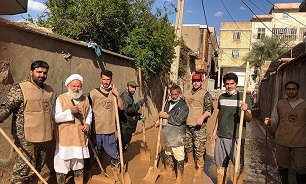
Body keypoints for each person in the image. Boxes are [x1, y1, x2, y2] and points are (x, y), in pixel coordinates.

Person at [0, 60, 53, 184]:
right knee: (22, 171)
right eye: (39, 72)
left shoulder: (49, 90)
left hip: (44, 137)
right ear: (31, 72)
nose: (42, 75)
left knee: (37, 168)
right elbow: (6, 108)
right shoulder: (20, 88)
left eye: (45, 73)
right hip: (26, 138)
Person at [211, 72, 252, 184]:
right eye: (227, 84)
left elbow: (249, 119)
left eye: (231, 83)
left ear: (236, 84)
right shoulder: (221, 97)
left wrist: (244, 110)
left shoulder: (244, 98)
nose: (229, 86)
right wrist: (214, 132)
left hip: (237, 137)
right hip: (221, 136)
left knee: (238, 165)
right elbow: (220, 115)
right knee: (220, 165)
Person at [53, 74, 92, 184]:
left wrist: (88, 124)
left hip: (80, 138)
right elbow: (56, 117)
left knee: (79, 165)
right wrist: (69, 112)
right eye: (73, 86)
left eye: (78, 86)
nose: (76, 89)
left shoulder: (85, 99)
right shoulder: (61, 99)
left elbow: (89, 114)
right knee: (62, 165)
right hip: (65, 138)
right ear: (68, 86)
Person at [264, 81, 306, 184]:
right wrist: (269, 122)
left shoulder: (304, 105)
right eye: (288, 89)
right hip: (282, 141)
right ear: (285, 90)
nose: (291, 91)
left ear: (298, 90)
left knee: (301, 169)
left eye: (293, 89)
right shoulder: (280, 104)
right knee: (282, 167)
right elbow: (275, 120)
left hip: (300, 143)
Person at [89, 70, 124, 180]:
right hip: (96, 130)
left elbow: (122, 107)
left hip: (109, 130)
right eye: (104, 79)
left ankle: (116, 174)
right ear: (101, 79)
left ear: (111, 80)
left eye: (108, 79)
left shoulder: (114, 94)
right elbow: (87, 109)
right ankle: (92, 173)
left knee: (114, 154)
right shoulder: (93, 93)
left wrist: (118, 96)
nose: (105, 81)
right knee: (93, 153)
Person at [183, 73, 213, 180]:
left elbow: (210, 110)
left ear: (201, 82)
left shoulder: (205, 94)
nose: (196, 83)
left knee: (199, 147)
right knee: (188, 145)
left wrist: (202, 117)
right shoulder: (186, 94)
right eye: (194, 81)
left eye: (198, 81)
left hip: (199, 126)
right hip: (187, 125)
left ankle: (200, 167)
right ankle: (190, 162)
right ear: (192, 82)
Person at [159, 85, 189, 184]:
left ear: (179, 94)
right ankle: (169, 170)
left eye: (175, 94)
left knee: (179, 156)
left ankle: (180, 177)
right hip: (167, 134)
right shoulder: (168, 103)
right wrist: (159, 120)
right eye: (172, 94)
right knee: (168, 153)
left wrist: (166, 116)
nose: (173, 96)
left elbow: (179, 120)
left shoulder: (183, 106)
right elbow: (164, 114)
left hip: (177, 135)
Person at [119, 81, 145, 152]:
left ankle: (120, 159)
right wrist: (139, 104)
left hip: (129, 126)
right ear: (127, 87)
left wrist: (139, 116)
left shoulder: (130, 97)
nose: (134, 89)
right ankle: (118, 161)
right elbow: (128, 110)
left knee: (124, 145)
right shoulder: (125, 97)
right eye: (132, 87)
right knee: (123, 146)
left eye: (135, 88)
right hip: (126, 127)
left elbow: (131, 112)